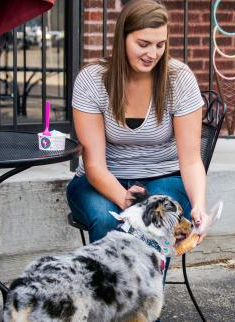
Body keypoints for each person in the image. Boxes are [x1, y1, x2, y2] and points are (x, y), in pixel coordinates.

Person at [67, 0, 206, 267]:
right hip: (103, 179)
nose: (152, 54)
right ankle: (106, 301)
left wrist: (198, 204)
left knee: (156, 219)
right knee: (107, 218)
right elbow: (94, 165)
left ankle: (145, 306)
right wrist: (125, 201)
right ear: (122, 39)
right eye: (143, 44)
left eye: (160, 45)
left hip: (164, 176)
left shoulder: (179, 79)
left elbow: (190, 161)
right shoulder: (92, 81)